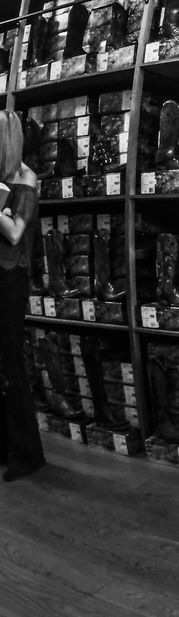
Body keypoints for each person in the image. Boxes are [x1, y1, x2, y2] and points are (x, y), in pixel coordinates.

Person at [0, 109, 45, 481]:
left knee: (12, 366)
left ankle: (26, 454)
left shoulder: (25, 178)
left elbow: (15, 233)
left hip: (10, 279)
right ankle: (5, 446)